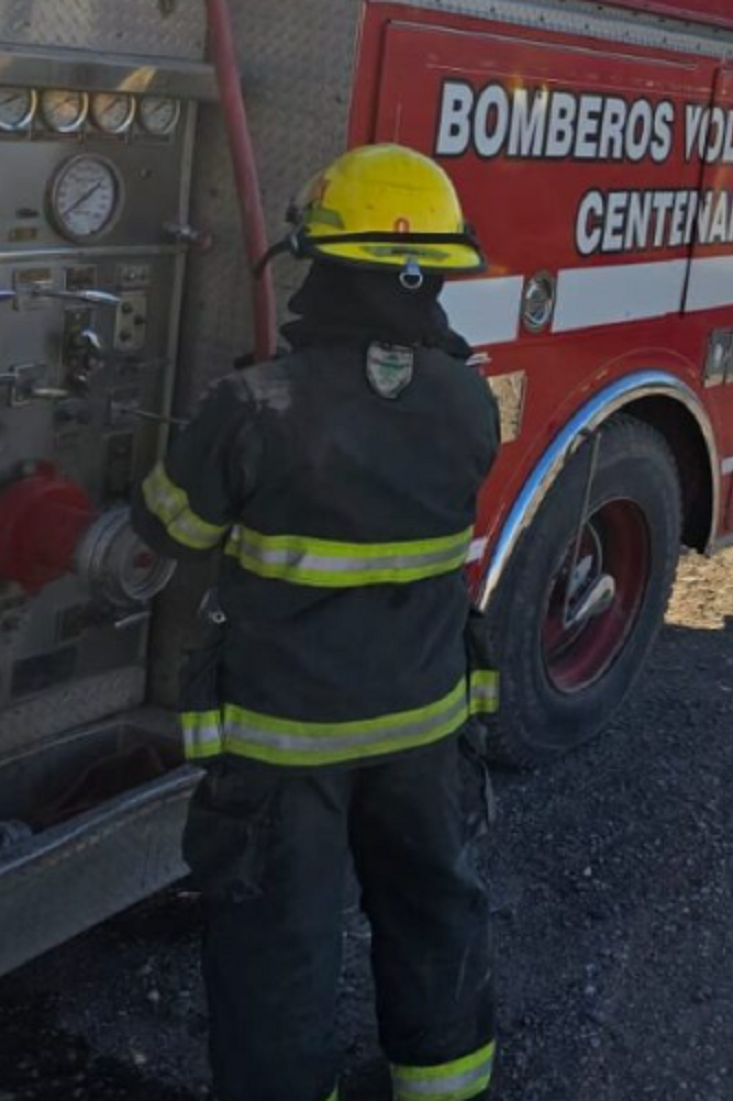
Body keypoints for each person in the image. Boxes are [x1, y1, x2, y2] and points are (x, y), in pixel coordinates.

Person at [132, 145, 502, 1101]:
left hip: (286, 745)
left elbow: (172, 527)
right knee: (431, 911)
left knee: (279, 948)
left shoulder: (253, 403)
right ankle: (445, 1088)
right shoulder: (470, 401)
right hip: (425, 727)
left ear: (320, 262)